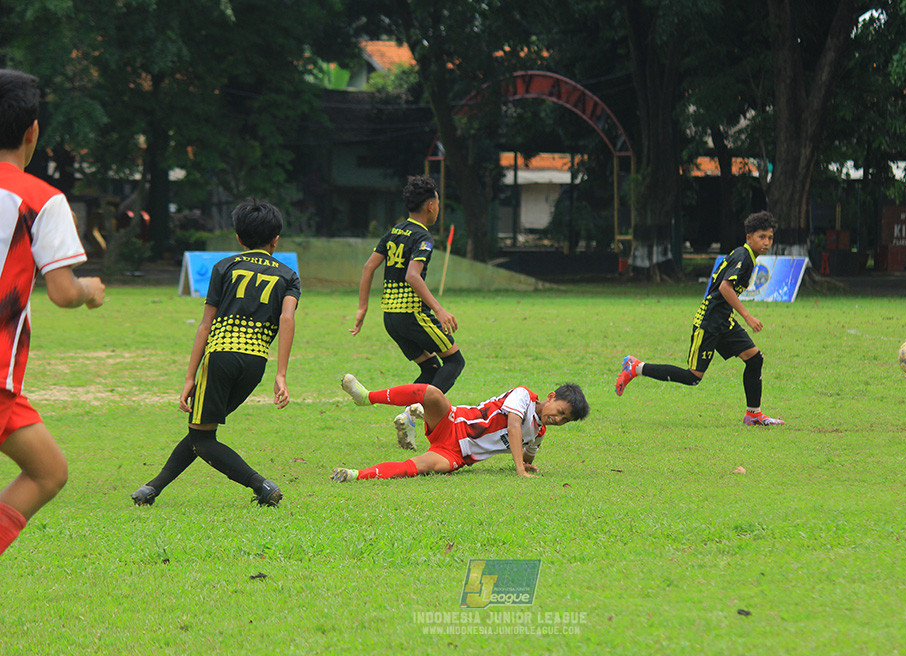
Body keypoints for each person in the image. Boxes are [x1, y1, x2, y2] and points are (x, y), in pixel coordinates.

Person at [130, 199, 300, 507]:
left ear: (238, 237)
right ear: (276, 239)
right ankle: (151, 489)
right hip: (255, 362)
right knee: (201, 431)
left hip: (221, 356)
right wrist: (281, 374)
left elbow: (205, 324)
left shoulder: (225, 267)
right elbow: (287, 320)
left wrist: (189, 376)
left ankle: (262, 486)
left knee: (202, 437)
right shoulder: (289, 275)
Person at [0, 69, 106, 556]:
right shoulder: (42, 199)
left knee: (49, 469)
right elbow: (62, 292)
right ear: (33, 131)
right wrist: (90, 289)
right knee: (46, 474)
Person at [615, 211, 785, 426]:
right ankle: (636, 367)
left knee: (754, 359)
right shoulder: (743, 256)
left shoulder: (747, 257)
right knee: (693, 377)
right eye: (762, 237)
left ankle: (753, 414)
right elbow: (725, 288)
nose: (767, 242)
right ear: (749, 237)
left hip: (724, 320)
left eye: (770, 237)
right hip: (710, 322)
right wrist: (747, 316)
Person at [349, 175, 465, 450]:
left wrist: (362, 307)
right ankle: (418, 409)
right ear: (431, 206)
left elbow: (368, 267)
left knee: (430, 367)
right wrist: (439, 309)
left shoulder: (395, 231)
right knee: (454, 362)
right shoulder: (423, 237)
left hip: (390, 317)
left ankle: (407, 418)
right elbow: (413, 276)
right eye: (437, 203)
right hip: (412, 314)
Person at [331, 374, 588, 481]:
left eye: (565, 420)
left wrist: (526, 464)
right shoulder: (524, 396)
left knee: (424, 467)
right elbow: (513, 426)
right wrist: (519, 470)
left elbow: (529, 453)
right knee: (432, 393)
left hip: (456, 454)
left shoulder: (539, 433)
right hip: (453, 422)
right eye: (560, 412)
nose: (558, 419)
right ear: (551, 397)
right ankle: (367, 397)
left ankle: (354, 475)